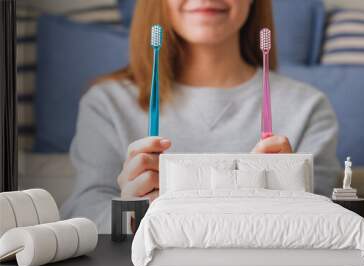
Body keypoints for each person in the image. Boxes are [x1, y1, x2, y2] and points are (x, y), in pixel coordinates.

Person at [61, 0, 340, 233]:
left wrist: (285, 198)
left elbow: (327, 225)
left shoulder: (308, 108)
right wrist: (129, 213)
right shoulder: (107, 104)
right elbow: (82, 214)